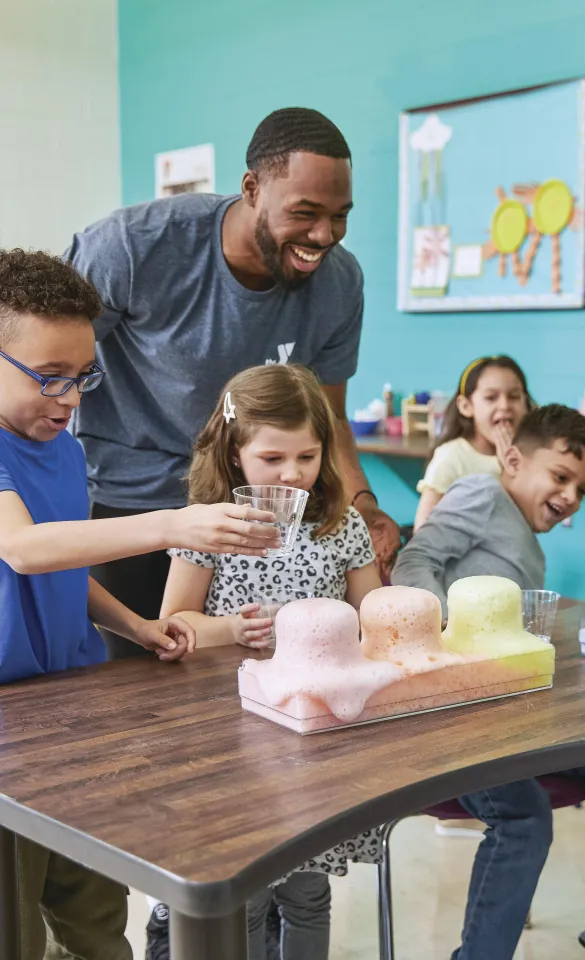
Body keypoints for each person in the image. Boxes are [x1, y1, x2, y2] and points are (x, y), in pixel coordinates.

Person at [0, 249, 280, 960]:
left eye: (82, 377)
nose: (68, 398)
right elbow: (23, 550)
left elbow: (61, 569)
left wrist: (135, 624)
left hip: (68, 713)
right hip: (10, 736)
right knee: (17, 931)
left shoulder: (61, 448)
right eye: (48, 378)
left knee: (97, 916)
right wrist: (171, 522)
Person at [63, 106, 401, 660]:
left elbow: (332, 418)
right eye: (306, 212)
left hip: (254, 514)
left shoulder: (340, 282)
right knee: (132, 682)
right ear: (251, 188)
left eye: (340, 215)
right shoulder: (133, 247)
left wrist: (364, 505)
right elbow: (40, 357)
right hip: (132, 504)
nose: (325, 235)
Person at [393, 405, 585, 960]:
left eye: (582, 488)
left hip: (505, 716)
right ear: (512, 460)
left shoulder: (525, 538)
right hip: (453, 718)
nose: (572, 495)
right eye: (560, 476)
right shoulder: (483, 496)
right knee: (523, 817)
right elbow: (415, 558)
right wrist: (443, 633)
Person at [145, 364, 382, 960]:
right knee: (245, 891)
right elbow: (175, 621)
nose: (293, 474)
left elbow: (372, 616)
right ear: (232, 455)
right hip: (235, 735)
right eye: (273, 459)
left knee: (307, 889)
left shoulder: (339, 522)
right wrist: (230, 628)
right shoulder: (210, 523)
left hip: (317, 733)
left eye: (307, 456)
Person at [414, 355, 531, 531]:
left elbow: (529, 519)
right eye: (491, 398)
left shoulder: (529, 457)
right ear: (466, 406)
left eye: (514, 396)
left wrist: (512, 469)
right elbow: (423, 530)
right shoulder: (452, 456)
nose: (505, 405)